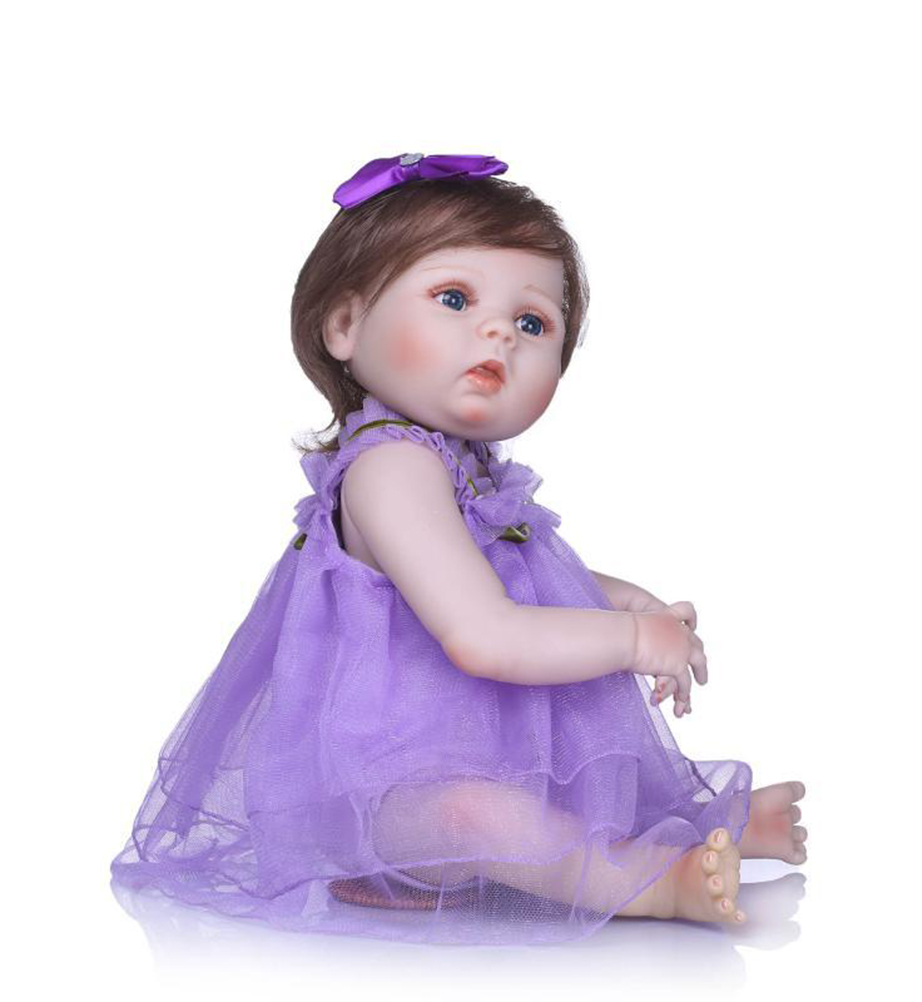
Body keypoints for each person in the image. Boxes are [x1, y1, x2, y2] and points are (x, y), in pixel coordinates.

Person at [109, 153, 808, 947]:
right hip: (385, 799)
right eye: (453, 298)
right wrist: (632, 638)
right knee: (474, 813)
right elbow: (484, 633)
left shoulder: (457, 465)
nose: (499, 332)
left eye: (533, 322)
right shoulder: (391, 469)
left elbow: (515, 573)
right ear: (344, 326)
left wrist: (622, 599)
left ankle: (706, 830)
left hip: (478, 745)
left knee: (563, 772)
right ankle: (653, 883)